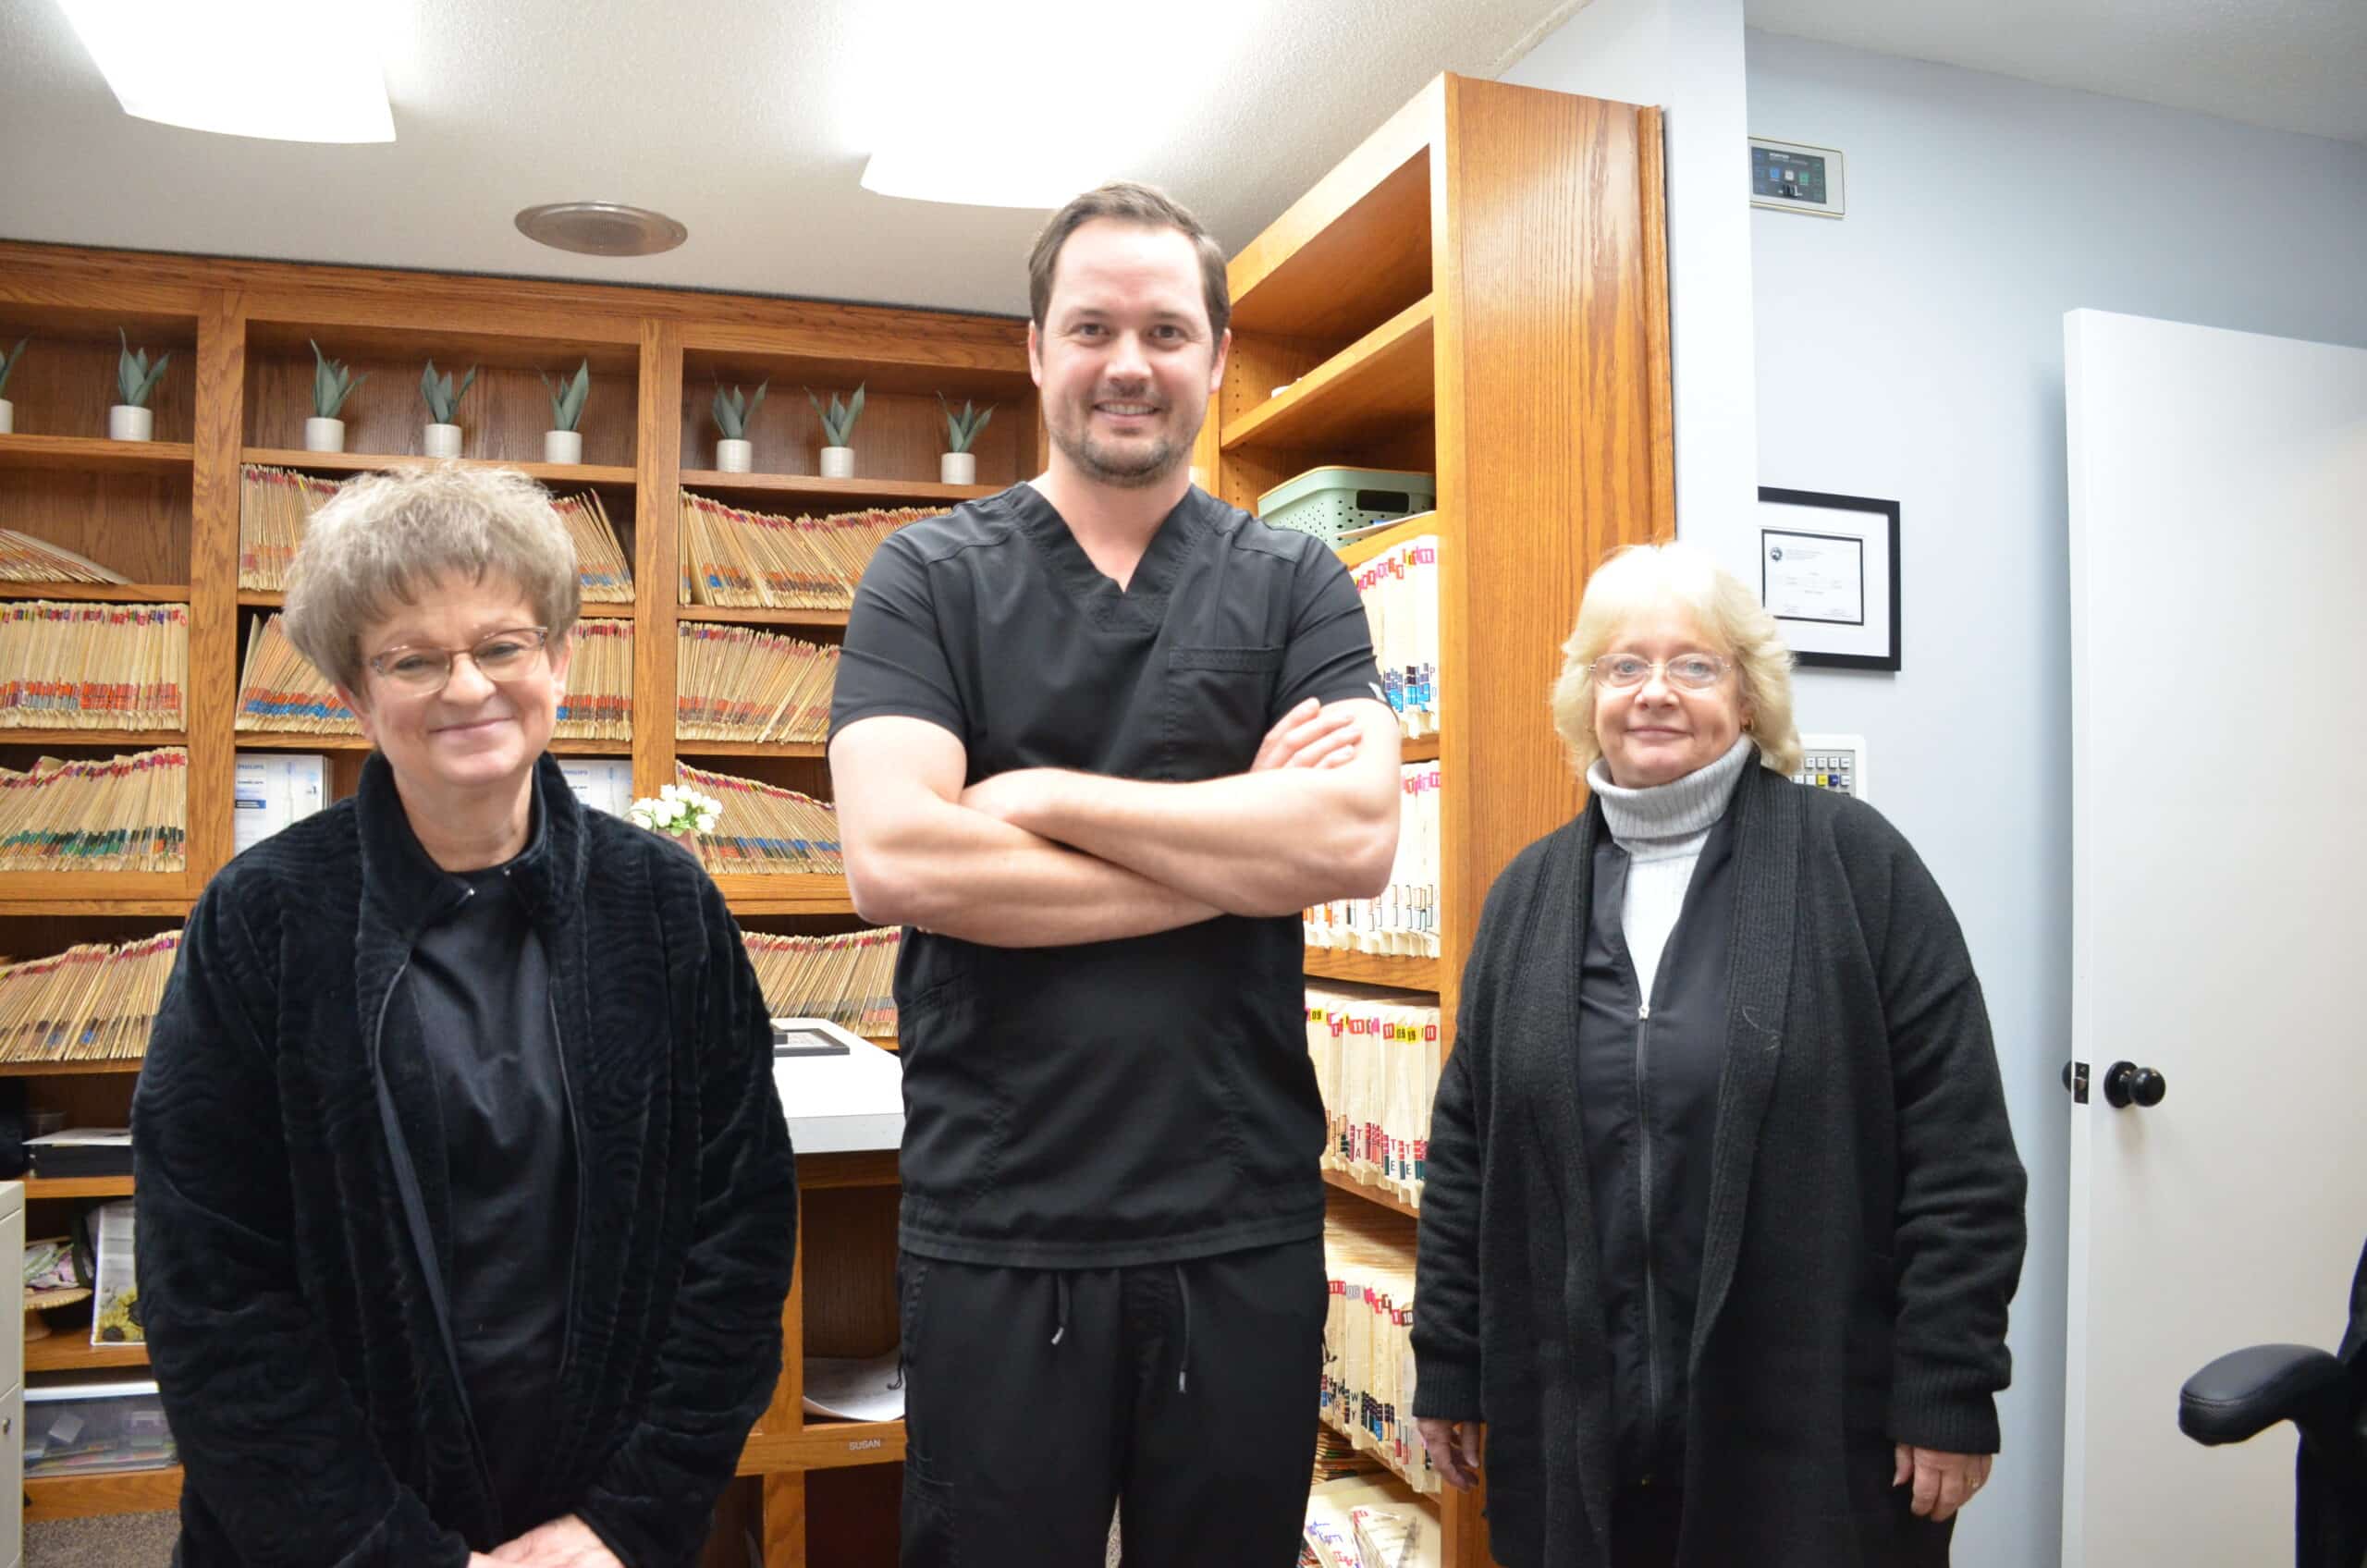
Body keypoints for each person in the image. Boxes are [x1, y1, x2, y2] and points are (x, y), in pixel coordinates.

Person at [828, 181, 1403, 1568]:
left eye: (1165, 329)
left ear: (1214, 357)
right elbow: (894, 852)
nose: (1128, 362)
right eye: (1092, 327)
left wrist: (1043, 799)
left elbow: (1350, 842)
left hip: (1235, 1213)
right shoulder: (928, 579)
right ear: (1036, 349)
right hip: (1002, 1220)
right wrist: (1237, 846)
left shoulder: (1295, 584)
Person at [133, 464, 798, 1568]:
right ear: (354, 693)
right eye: (413, 657)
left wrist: (620, 1523)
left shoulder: (666, 907)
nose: (466, 686)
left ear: (559, 661)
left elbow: (738, 1244)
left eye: (501, 645)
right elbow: (212, 1291)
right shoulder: (261, 921)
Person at [1410, 542, 2027, 1568]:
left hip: (1812, 1431)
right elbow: (1467, 1155)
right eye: (1623, 666)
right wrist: (1450, 1363)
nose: (1655, 693)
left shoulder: (1855, 863)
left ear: (1748, 699)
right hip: (1579, 1428)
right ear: (1586, 698)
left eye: (1693, 666)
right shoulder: (1527, 896)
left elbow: (1959, 1150)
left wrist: (1949, 1386)